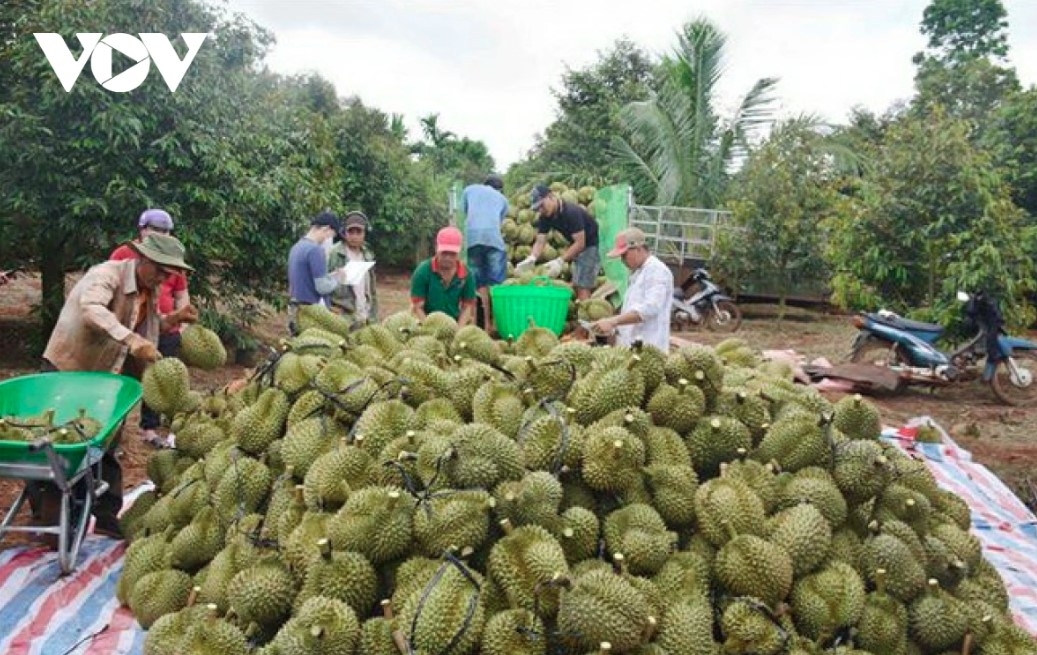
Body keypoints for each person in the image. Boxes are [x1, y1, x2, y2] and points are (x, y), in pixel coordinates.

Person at [35, 233, 197, 540]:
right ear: (143, 259)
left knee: (106, 443)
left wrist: (174, 318)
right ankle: (51, 519)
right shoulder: (106, 274)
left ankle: (107, 515)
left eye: (169, 274)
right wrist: (133, 341)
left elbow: (145, 327)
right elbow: (92, 309)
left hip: (104, 378)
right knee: (58, 447)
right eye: (160, 271)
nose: (164, 279)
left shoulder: (148, 290)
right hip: (70, 367)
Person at [110, 208, 190, 448]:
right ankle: (113, 433)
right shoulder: (123, 254)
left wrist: (181, 322)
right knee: (118, 381)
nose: (160, 235)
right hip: (129, 329)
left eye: (165, 231)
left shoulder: (172, 260)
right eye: (155, 230)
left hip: (164, 328)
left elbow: (181, 294)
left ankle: (150, 428)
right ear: (142, 230)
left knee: (157, 381)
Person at [590, 227, 673, 352]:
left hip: (649, 350)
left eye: (624, 255)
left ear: (638, 249)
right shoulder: (638, 273)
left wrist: (613, 321)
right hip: (633, 348)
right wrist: (614, 328)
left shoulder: (657, 271)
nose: (622, 260)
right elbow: (632, 310)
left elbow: (649, 308)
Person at [517, 184, 600, 301]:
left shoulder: (571, 212)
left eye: (542, 205)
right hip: (576, 243)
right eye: (537, 208)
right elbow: (540, 240)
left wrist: (560, 261)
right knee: (577, 280)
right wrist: (532, 257)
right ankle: (581, 307)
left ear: (551, 197)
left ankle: (586, 310)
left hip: (591, 244)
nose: (541, 210)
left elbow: (581, 243)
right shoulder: (545, 216)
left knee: (583, 284)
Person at [462, 174, 509, 333]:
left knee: (478, 284)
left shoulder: (469, 190)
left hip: (472, 239)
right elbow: (497, 222)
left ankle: (480, 324)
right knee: (496, 285)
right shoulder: (503, 199)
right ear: (500, 189)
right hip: (493, 241)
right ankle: (497, 325)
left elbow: (464, 214)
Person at [287, 210, 346, 334]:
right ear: (326, 229)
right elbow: (322, 288)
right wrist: (339, 279)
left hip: (295, 309)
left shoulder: (297, 247)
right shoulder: (315, 250)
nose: (328, 240)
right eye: (331, 236)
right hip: (311, 313)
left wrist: (331, 276)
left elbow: (306, 277)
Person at [410, 226, 477, 326]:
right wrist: (429, 329)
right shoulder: (423, 271)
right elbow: (417, 307)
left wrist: (458, 330)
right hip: (425, 321)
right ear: (437, 248)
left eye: (452, 254)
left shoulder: (466, 274)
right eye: (444, 253)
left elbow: (467, 306)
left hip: (454, 322)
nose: (448, 258)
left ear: (459, 252)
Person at [327, 211, 379, 327]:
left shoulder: (367, 254)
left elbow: (371, 290)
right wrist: (329, 308)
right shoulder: (335, 254)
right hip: (342, 319)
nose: (354, 236)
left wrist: (374, 318)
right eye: (351, 232)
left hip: (364, 316)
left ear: (365, 233)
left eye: (358, 232)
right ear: (344, 233)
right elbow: (323, 283)